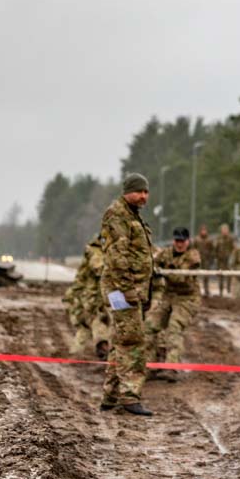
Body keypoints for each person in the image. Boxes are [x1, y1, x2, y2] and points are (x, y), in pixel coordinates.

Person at [99, 173, 155, 416]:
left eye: (146, 192)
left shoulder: (132, 215)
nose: (143, 196)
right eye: (138, 191)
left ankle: (110, 395)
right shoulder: (117, 214)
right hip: (122, 291)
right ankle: (129, 396)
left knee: (120, 340)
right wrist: (128, 290)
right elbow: (116, 258)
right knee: (133, 342)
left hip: (130, 290)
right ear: (127, 191)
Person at [146, 227, 203, 382]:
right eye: (177, 241)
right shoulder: (166, 253)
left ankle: (171, 367)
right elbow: (151, 262)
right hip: (168, 297)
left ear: (187, 241)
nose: (179, 244)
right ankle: (150, 365)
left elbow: (181, 277)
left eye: (182, 241)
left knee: (174, 327)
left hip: (187, 299)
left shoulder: (193, 256)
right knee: (150, 326)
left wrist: (163, 271)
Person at [63, 236, 110, 358]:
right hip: (92, 297)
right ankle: (103, 347)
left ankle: (76, 354)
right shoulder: (96, 252)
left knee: (85, 328)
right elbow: (99, 269)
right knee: (97, 320)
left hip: (91, 296)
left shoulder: (100, 251)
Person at [214, 223, 235, 296]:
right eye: (224, 229)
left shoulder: (231, 239)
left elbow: (234, 249)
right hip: (220, 261)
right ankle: (220, 292)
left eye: (226, 229)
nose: (225, 231)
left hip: (228, 261)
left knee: (229, 276)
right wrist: (216, 257)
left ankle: (228, 291)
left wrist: (232, 257)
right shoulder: (218, 239)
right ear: (221, 230)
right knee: (220, 276)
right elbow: (215, 249)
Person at [195, 224, 215, 296]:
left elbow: (212, 250)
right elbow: (193, 249)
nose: (203, 232)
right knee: (196, 276)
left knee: (206, 276)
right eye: (202, 230)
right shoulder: (197, 240)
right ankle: (196, 290)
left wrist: (211, 259)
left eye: (205, 230)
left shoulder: (209, 240)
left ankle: (206, 290)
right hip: (198, 260)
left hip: (206, 260)